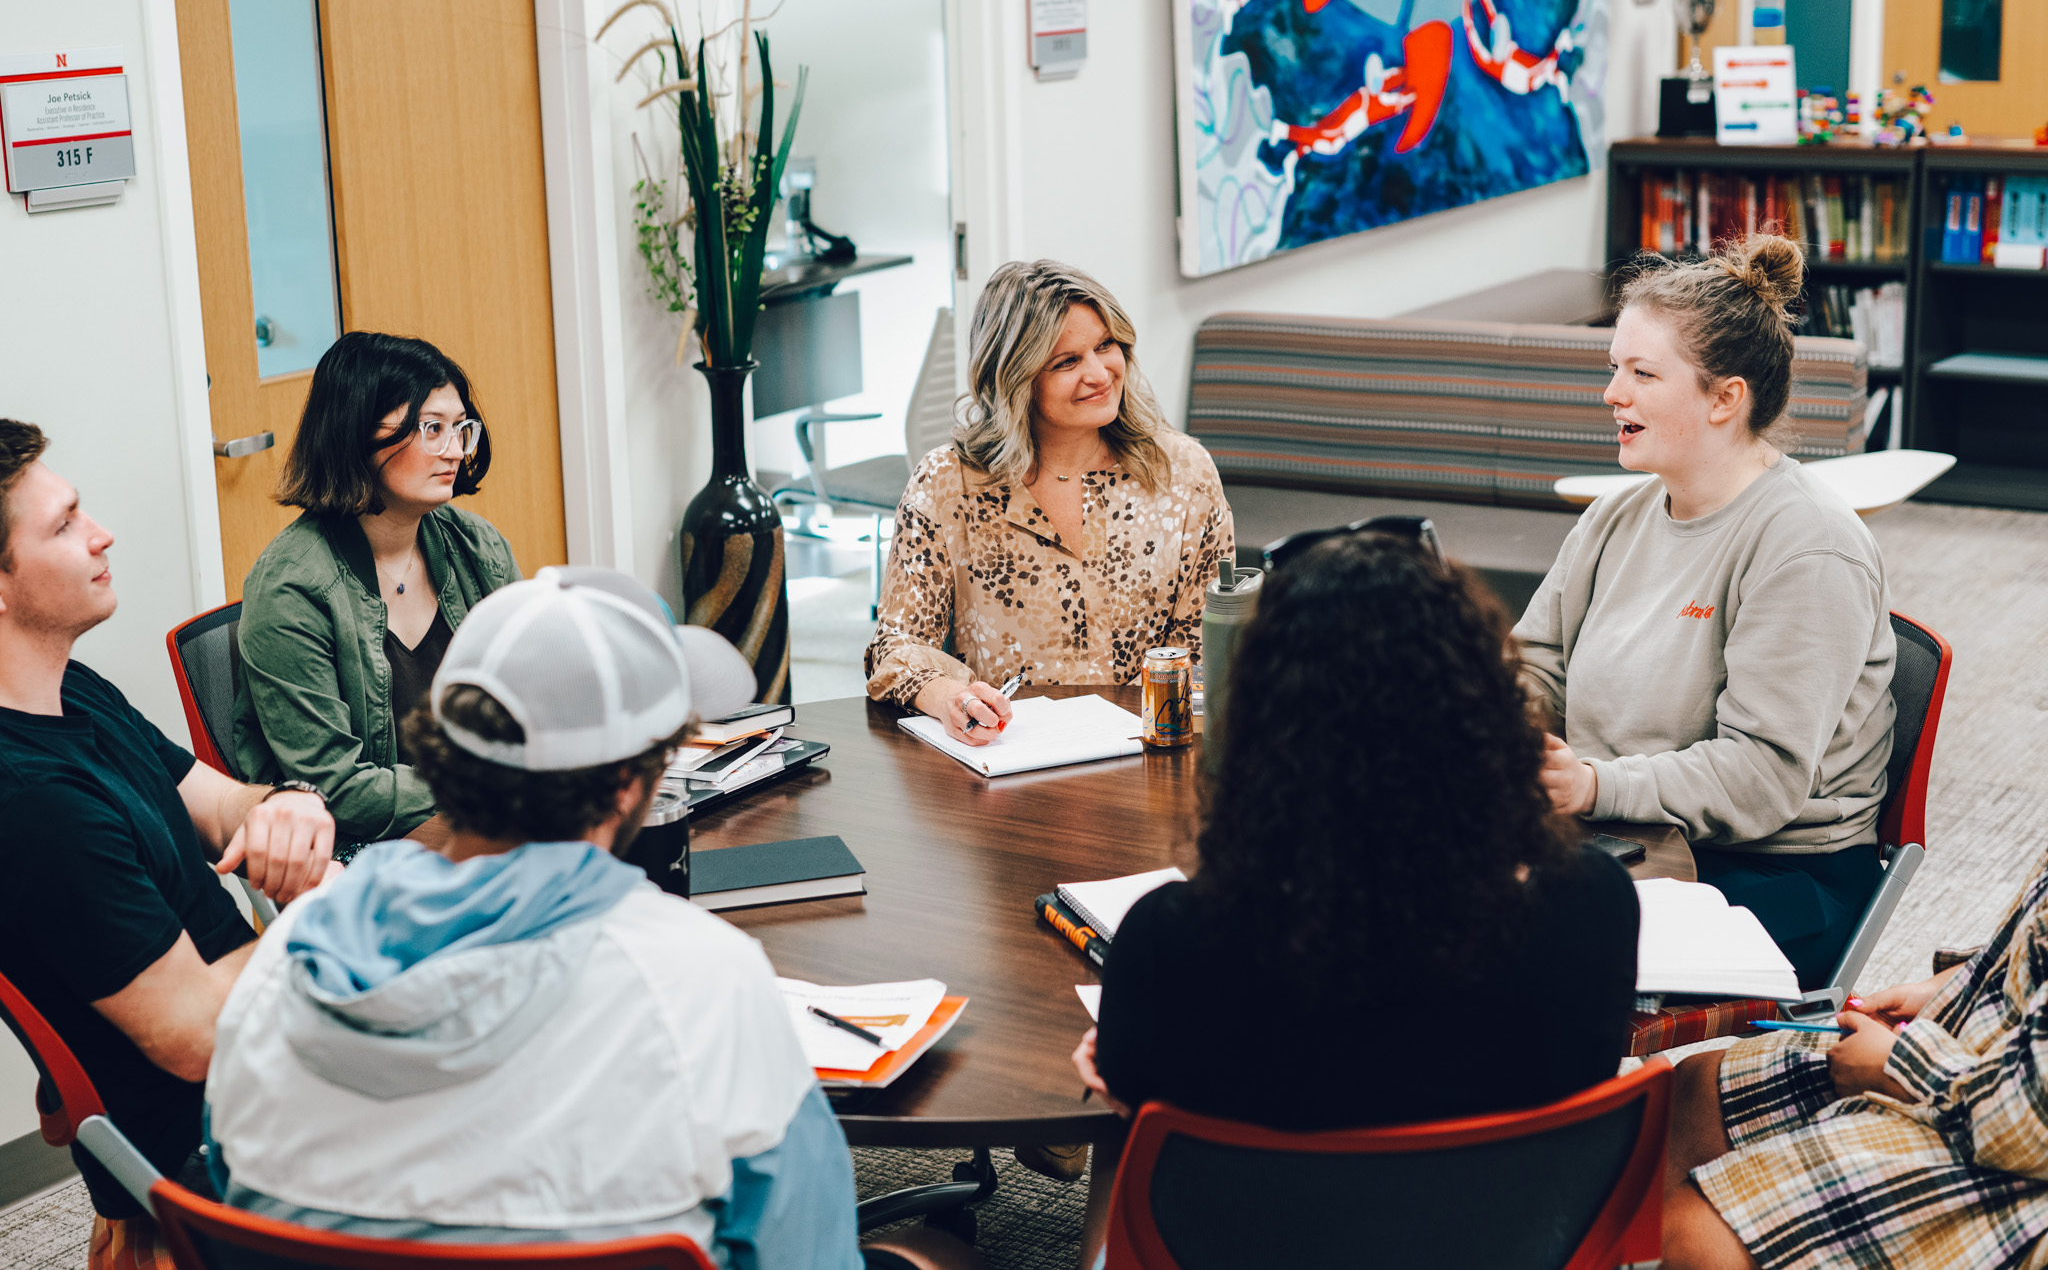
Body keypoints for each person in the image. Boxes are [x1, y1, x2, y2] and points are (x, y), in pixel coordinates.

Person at [205, 569, 977, 1270]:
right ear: (626, 790)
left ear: (445, 751)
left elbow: (231, 1190)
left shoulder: (280, 961)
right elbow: (803, 1251)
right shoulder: (701, 982)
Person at [1073, 527, 1640, 1261]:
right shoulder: (1591, 908)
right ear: (1483, 712)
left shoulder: (1173, 943)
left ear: (1262, 725)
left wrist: (1128, 1044)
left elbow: (1141, 1098)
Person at [1515, 235, 1896, 988]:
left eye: (1642, 373)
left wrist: (1593, 785)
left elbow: (1759, 777)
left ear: (1727, 397)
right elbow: (1538, 664)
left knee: (1507, 949)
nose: (1612, 394)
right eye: (1614, 368)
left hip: (1772, 879)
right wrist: (1503, 728)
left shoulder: (1809, 546)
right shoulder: (1617, 515)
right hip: (1621, 833)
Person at [0, 419, 336, 1268]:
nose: (100, 532)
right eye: (66, 523)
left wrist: (288, 804)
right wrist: (330, 911)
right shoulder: (34, 806)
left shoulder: (69, 686)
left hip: (269, 1042)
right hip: (225, 1131)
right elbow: (195, 1034)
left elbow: (221, 805)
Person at [864, 259, 1234, 746]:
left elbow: (1208, 647)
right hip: (1006, 759)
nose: (1100, 373)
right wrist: (950, 696)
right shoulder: (946, 484)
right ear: (1015, 379)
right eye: (1066, 362)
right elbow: (896, 646)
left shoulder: (1183, 472)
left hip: (1152, 753)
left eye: (1106, 345)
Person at [1660, 847, 2048, 1270]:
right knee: (1699, 1085)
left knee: (1695, 1241)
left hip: (2015, 1148)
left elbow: (2026, 1122)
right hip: (1980, 1069)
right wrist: (1952, 985)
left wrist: (1896, 1068)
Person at [233, 332, 519, 850]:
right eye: (431, 429)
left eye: (461, 429)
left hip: (484, 820)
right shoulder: (290, 588)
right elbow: (334, 787)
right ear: (355, 436)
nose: (454, 450)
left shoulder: (478, 546)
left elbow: (530, 699)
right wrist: (489, 783)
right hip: (365, 853)